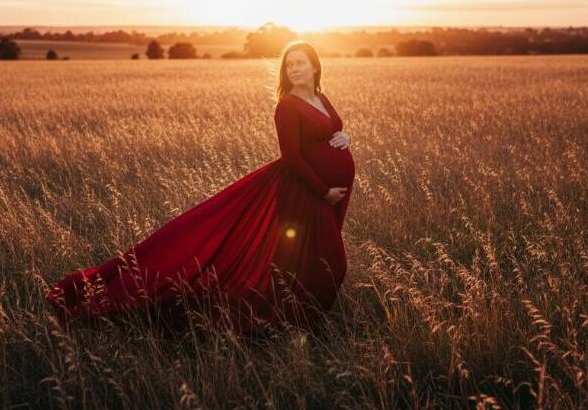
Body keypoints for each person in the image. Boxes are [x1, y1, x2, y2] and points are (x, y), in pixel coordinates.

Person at [44, 40, 355, 335]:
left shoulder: (320, 97)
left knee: (309, 260)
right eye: (289, 65)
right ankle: (290, 322)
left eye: (300, 63)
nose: (294, 69)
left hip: (326, 192)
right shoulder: (287, 105)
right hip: (304, 192)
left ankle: (299, 320)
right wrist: (322, 191)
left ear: (315, 66)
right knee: (332, 262)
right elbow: (291, 157)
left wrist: (345, 138)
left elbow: (333, 130)